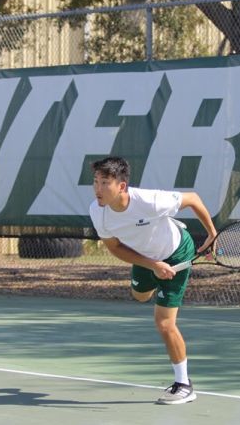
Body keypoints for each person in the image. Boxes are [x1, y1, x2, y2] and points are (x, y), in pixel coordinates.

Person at [88, 156, 217, 405]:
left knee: (164, 323)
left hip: (177, 251)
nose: (98, 189)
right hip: (146, 258)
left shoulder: (151, 201)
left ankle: (184, 384)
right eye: (95, 182)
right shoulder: (98, 211)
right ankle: (156, 287)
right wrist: (153, 266)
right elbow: (114, 247)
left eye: (105, 183)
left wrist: (212, 233)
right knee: (139, 296)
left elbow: (193, 199)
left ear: (122, 186)